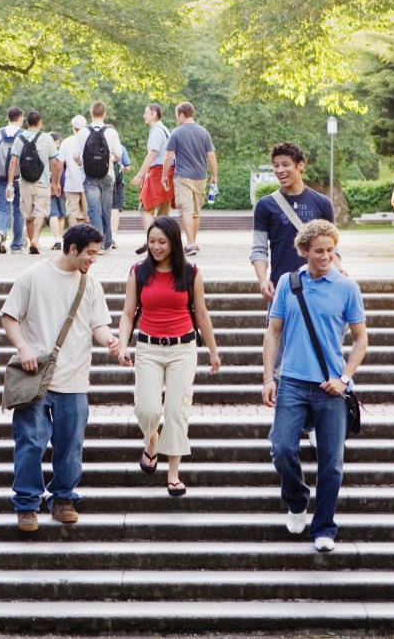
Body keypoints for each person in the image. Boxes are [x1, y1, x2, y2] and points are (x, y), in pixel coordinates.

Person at [1, 223, 120, 532]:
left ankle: (63, 498)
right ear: (72, 249)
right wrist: (22, 347)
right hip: (35, 374)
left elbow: (99, 325)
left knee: (71, 444)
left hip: (75, 378)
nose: (93, 259)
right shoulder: (33, 276)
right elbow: (9, 316)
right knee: (30, 442)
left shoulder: (90, 284)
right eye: (90, 254)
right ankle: (27, 504)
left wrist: (109, 340)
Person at [261, 219, 367, 553]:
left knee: (332, 462)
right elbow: (273, 332)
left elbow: (361, 338)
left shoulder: (347, 287)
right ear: (304, 251)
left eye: (330, 250)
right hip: (292, 380)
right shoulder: (288, 283)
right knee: (281, 448)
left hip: (330, 386)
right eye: (318, 251)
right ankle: (296, 500)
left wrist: (345, 378)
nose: (325, 257)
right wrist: (268, 376)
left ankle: (324, 527)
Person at [116, 216, 221, 495]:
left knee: (176, 411)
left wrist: (213, 351)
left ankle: (173, 473)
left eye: (162, 242)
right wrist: (123, 345)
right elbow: (128, 313)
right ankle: (152, 441)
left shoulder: (190, 272)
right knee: (148, 408)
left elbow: (201, 313)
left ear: (174, 242)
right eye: (151, 242)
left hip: (182, 349)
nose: (156, 247)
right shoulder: (138, 271)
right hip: (148, 348)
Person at [251, 142, 336, 304]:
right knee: (277, 330)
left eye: (285, 164)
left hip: (319, 285)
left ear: (300, 165)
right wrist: (263, 280)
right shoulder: (265, 205)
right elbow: (259, 249)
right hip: (282, 287)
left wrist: (338, 268)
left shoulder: (322, 203)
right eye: (275, 166)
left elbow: (333, 246)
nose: (279, 170)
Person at [162, 102, 217, 255]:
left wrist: (164, 175)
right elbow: (211, 155)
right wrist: (215, 175)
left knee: (186, 210)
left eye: (177, 116)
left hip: (182, 177)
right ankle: (193, 242)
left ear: (181, 114)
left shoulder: (176, 132)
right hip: (200, 177)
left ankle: (191, 243)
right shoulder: (204, 132)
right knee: (196, 212)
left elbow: (169, 157)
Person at [6, 110, 60, 255]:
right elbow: (55, 163)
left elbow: (13, 162)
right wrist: (55, 182)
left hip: (24, 182)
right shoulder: (47, 138)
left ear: (27, 122)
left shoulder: (20, 138)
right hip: (42, 181)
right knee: (40, 212)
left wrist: (10, 183)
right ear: (40, 123)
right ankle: (35, 239)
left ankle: (32, 242)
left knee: (28, 214)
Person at [75, 100, 124, 251]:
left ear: (91, 113)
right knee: (106, 209)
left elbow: (76, 155)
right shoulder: (111, 132)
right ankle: (108, 241)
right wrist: (108, 159)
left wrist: (82, 163)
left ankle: (99, 244)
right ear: (104, 114)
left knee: (93, 209)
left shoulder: (83, 132)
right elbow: (118, 155)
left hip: (89, 177)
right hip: (107, 176)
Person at [131, 102, 173, 254]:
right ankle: (164, 243)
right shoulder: (166, 130)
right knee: (163, 212)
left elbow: (152, 153)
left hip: (157, 172)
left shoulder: (156, 131)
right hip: (168, 172)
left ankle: (151, 240)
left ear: (154, 114)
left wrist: (139, 175)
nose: (144, 115)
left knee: (145, 208)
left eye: (146, 112)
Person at [0, 106, 27, 254]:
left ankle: (1, 232)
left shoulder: (0, 132)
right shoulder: (23, 134)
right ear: (20, 118)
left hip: (0, 177)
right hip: (19, 178)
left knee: (1, 208)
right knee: (18, 210)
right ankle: (17, 245)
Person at [56, 115, 89, 229]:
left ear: (73, 128)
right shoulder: (89, 140)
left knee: (72, 213)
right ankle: (88, 240)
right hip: (88, 183)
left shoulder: (66, 142)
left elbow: (59, 164)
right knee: (88, 214)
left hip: (71, 183)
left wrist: (56, 182)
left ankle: (73, 238)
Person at [47, 130, 67, 250]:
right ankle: (59, 238)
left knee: (53, 213)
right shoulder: (60, 153)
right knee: (61, 214)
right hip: (63, 184)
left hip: (49, 184)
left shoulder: (45, 154)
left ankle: (56, 240)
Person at [111, 144, 131, 240]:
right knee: (115, 209)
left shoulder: (98, 145)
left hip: (100, 182)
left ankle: (103, 235)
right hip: (118, 182)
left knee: (103, 208)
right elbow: (128, 167)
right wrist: (121, 168)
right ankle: (113, 236)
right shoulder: (120, 147)